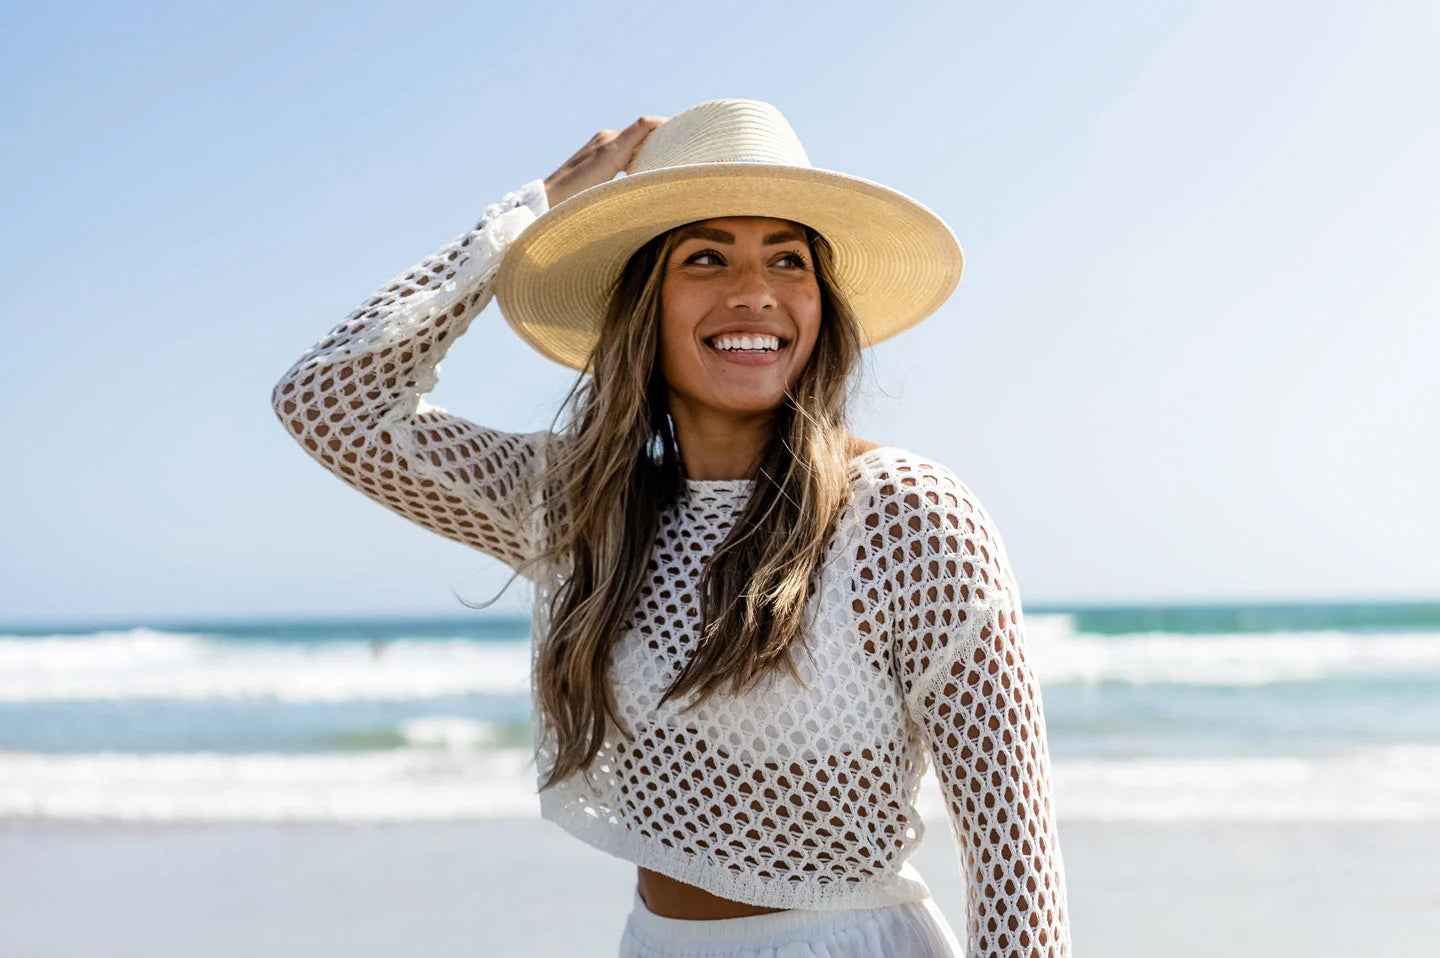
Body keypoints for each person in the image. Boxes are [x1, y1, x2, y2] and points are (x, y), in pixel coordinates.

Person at [272, 98, 1071, 957]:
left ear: (821, 303)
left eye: (788, 260)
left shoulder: (907, 517)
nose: (754, 293)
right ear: (642, 305)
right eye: (705, 257)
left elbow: (1017, 870)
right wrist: (537, 210)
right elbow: (329, 401)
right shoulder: (583, 506)